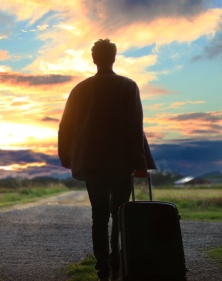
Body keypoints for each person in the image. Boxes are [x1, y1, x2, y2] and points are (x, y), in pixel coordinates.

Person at [58, 38, 156, 281]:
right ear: (114, 57)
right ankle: (117, 260)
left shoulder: (80, 89)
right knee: (120, 212)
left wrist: (67, 157)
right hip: (121, 161)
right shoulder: (128, 86)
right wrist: (140, 162)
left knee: (99, 214)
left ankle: (102, 267)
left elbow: (65, 127)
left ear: (94, 59)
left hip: (91, 161)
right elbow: (135, 126)